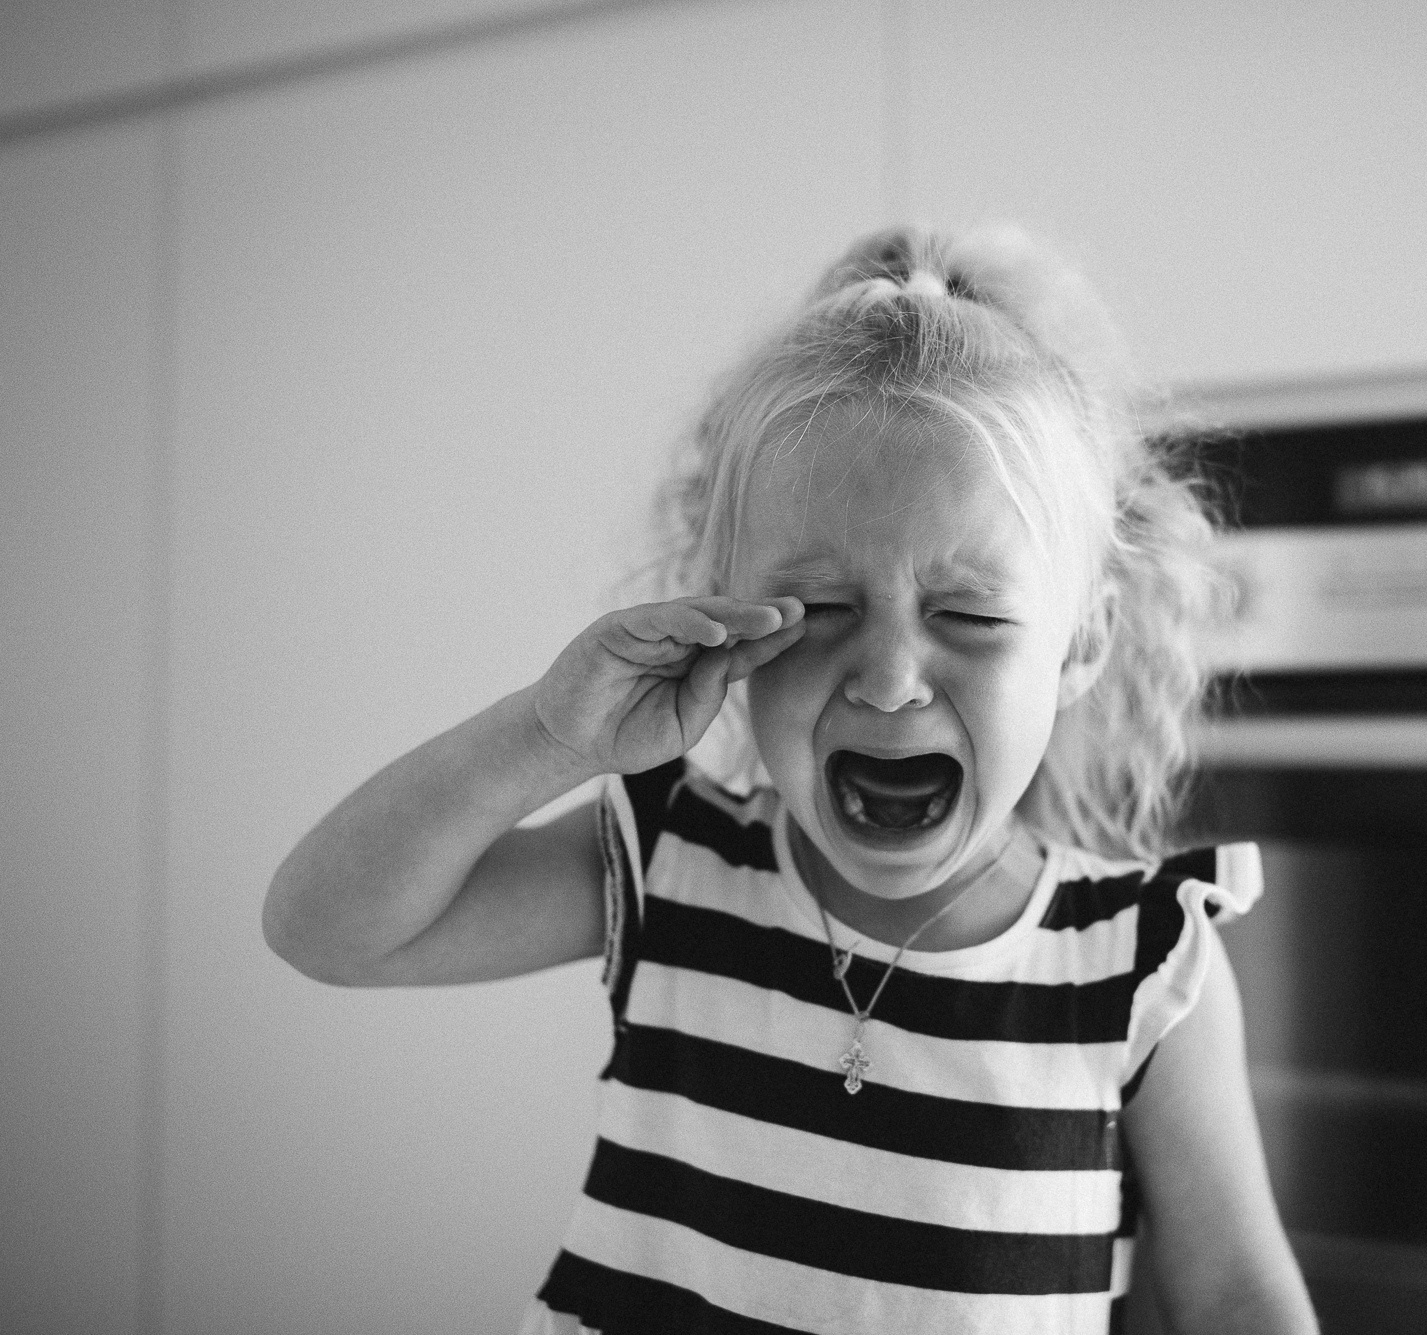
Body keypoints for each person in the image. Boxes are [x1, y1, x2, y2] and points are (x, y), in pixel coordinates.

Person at [263, 225, 1317, 1334]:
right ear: (724, 614)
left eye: (968, 616)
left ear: (1078, 645)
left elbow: (1239, 1300)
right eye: (816, 611)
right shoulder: (670, 863)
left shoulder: (1144, 965)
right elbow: (327, 928)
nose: (891, 678)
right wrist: (548, 737)